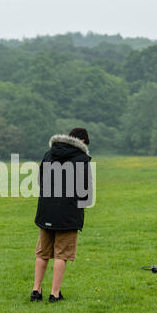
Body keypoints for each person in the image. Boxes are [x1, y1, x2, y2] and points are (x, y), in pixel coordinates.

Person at [31, 127, 92, 303]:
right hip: (68, 213)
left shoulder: (49, 153)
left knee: (42, 252)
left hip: (46, 211)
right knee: (61, 254)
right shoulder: (81, 159)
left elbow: (39, 181)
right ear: (82, 141)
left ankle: (36, 291)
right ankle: (54, 294)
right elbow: (85, 191)